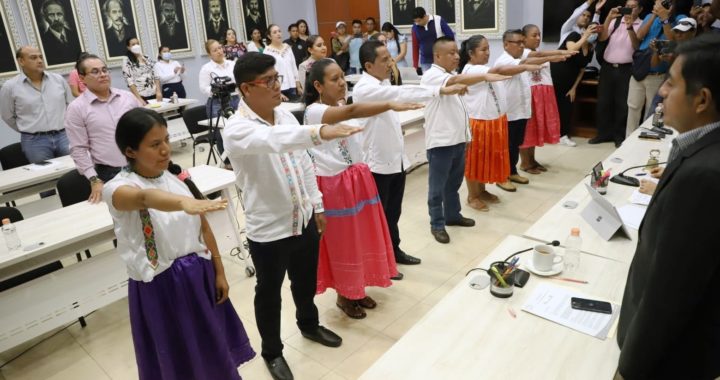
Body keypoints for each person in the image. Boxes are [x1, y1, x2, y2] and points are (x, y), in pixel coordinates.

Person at [223, 52, 359, 380]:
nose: (276, 86)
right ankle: (272, 351)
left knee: (305, 280)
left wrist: (318, 205)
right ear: (245, 88)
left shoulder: (283, 115)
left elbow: (303, 162)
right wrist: (320, 132)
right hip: (269, 228)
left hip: (304, 217)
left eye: (276, 78)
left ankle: (309, 324)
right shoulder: (237, 129)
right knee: (269, 293)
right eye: (268, 81)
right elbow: (275, 142)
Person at [104, 108, 255, 380]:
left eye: (166, 140)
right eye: (154, 144)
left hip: (199, 275)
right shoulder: (117, 188)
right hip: (161, 285)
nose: (165, 150)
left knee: (212, 347)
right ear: (130, 151)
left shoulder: (175, 178)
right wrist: (183, 203)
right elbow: (144, 199)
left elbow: (204, 229)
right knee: (178, 355)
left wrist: (220, 272)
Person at [616, 33, 720, 380]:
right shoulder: (702, 151)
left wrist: (629, 369)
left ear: (702, 99)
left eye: (671, 84)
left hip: (669, 360)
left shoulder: (704, 175)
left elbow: (669, 293)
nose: (661, 91)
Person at [304, 59, 422, 317]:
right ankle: (344, 295)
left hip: (356, 178)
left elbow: (350, 114)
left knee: (361, 236)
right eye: (334, 79)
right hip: (334, 183)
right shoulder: (314, 111)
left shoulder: (338, 105)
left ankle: (358, 288)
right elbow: (351, 112)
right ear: (318, 85)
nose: (341, 82)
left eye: (342, 77)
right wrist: (390, 103)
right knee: (343, 241)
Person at [353, 40, 467, 264]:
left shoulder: (382, 84)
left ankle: (394, 252)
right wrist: (441, 90)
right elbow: (401, 93)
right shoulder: (365, 89)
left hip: (396, 161)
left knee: (393, 213)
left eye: (390, 57)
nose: (390, 63)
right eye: (384, 59)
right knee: (380, 217)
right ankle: (380, 261)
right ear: (368, 66)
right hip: (377, 165)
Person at [421, 37, 509, 244]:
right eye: (450, 53)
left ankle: (453, 216)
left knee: (453, 184)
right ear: (437, 56)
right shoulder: (432, 75)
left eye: (456, 52)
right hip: (441, 142)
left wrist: (467, 137)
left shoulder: (451, 74)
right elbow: (453, 82)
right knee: (437, 188)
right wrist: (485, 76)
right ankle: (437, 224)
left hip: (459, 139)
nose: (456, 56)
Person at [459, 35, 541, 211]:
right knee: (474, 161)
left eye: (488, 48)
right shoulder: (470, 70)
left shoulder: (482, 68)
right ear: (471, 53)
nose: (487, 53)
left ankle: (481, 191)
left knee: (485, 159)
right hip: (478, 122)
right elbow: (500, 69)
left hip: (493, 121)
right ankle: (472, 195)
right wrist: (525, 66)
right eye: (483, 49)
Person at [493, 29, 571, 192]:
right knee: (506, 146)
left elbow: (534, 56)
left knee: (516, 145)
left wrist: (556, 53)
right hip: (509, 113)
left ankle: (512, 172)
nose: (522, 46)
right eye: (518, 43)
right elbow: (525, 65)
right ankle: (501, 177)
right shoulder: (504, 60)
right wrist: (552, 58)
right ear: (506, 44)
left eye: (523, 43)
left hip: (520, 112)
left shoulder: (518, 57)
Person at [65, 54, 141, 202]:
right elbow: (78, 149)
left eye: (105, 70)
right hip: (110, 173)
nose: (103, 75)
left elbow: (145, 128)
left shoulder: (127, 98)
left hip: (140, 165)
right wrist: (94, 180)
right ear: (82, 78)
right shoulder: (77, 108)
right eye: (95, 72)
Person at [626, 0, 692, 137]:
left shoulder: (680, 19)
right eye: (656, 3)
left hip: (659, 72)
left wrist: (665, 19)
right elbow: (639, 36)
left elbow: (674, 40)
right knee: (633, 108)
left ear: (671, 5)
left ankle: (645, 141)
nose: (657, 6)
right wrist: (654, 16)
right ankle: (628, 140)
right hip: (640, 69)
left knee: (653, 111)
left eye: (661, 3)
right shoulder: (649, 18)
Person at [0, 46, 73, 166]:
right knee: (45, 177)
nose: (39, 60)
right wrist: (28, 129)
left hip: (64, 136)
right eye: (33, 58)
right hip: (35, 142)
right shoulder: (10, 87)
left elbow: (70, 106)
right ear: (21, 61)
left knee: (74, 170)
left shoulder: (58, 80)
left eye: (40, 57)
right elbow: (7, 116)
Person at [591, 1, 643, 147]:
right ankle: (602, 134)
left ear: (640, 9)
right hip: (607, 67)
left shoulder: (642, 24)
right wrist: (609, 17)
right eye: (627, 6)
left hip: (626, 69)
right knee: (603, 101)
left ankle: (619, 136)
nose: (629, 9)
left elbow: (637, 45)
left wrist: (629, 26)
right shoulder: (615, 21)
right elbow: (602, 38)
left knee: (622, 104)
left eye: (633, 7)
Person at [552, 2, 601, 147]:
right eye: (584, 15)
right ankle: (554, 135)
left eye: (588, 17)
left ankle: (563, 135)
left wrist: (574, 87)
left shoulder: (590, 48)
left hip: (570, 81)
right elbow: (571, 49)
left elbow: (582, 69)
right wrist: (584, 36)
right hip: (556, 75)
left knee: (567, 107)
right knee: (554, 106)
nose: (586, 19)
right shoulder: (572, 34)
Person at [518, 24, 562, 174]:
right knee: (528, 129)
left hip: (542, 93)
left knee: (537, 128)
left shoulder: (536, 52)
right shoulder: (523, 53)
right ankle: (524, 162)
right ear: (524, 38)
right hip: (530, 94)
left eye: (539, 35)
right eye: (534, 35)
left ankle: (532, 160)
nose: (538, 38)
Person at [199, 39, 239, 157]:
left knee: (238, 128)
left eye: (220, 48)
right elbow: (203, 87)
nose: (219, 51)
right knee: (222, 133)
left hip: (235, 99)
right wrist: (217, 90)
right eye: (215, 50)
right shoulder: (206, 69)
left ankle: (239, 156)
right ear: (209, 54)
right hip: (217, 102)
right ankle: (226, 162)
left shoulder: (232, 64)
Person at [264, 24, 302, 101]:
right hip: (278, 88)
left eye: (279, 31)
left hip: (292, 86)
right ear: (269, 36)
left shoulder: (287, 47)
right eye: (274, 32)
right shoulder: (267, 51)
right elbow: (268, 74)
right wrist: (277, 92)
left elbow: (294, 66)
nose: (278, 33)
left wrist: (298, 86)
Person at [38, 0, 82, 66]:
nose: (56, 18)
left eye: (59, 14)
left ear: (64, 15)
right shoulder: (43, 40)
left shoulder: (75, 36)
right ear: (45, 18)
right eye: (51, 15)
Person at [411, 7, 455, 72]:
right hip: (425, 61)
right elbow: (415, 46)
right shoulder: (415, 27)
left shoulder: (438, 19)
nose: (417, 23)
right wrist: (415, 65)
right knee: (427, 81)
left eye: (419, 21)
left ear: (424, 16)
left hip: (440, 59)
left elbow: (450, 36)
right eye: (415, 21)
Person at [122, 37, 162, 105]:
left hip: (154, 93)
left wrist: (158, 91)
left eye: (138, 43)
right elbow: (130, 82)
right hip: (141, 96)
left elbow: (156, 75)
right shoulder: (127, 60)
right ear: (128, 47)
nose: (136, 46)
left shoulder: (146, 57)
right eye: (133, 44)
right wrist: (139, 99)